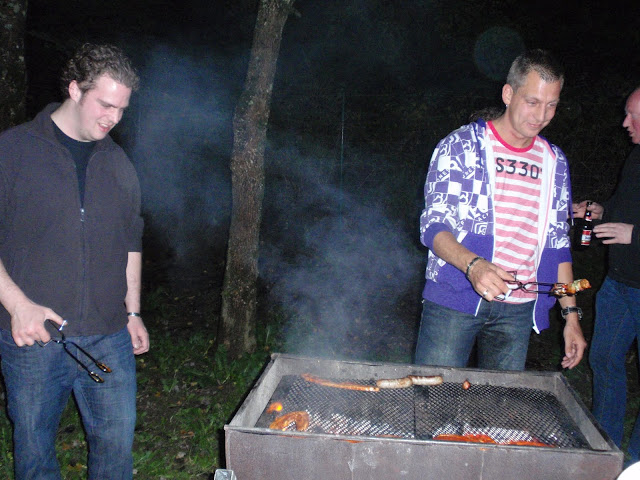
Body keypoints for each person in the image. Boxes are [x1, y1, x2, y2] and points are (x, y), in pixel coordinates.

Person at [0, 43, 149, 479]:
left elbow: (130, 242)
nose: (113, 118)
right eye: (105, 104)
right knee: (35, 455)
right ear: (74, 90)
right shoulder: (13, 151)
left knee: (116, 452)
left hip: (109, 335)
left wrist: (133, 312)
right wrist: (17, 305)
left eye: (122, 109)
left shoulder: (118, 163)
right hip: (34, 336)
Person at [415, 49, 586, 371]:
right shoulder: (462, 146)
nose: (541, 115)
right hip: (456, 297)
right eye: (532, 102)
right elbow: (433, 226)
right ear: (508, 94)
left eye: (551, 105)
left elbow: (557, 244)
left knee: (497, 399)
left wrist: (571, 316)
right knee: (434, 393)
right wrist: (474, 266)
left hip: (518, 309)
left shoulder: (554, 162)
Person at [574, 86, 640, 464]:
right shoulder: (636, 156)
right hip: (618, 285)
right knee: (604, 362)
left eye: (633, 116)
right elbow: (624, 204)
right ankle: (604, 453)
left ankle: (634, 466)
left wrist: (636, 235)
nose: (624, 123)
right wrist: (602, 211)